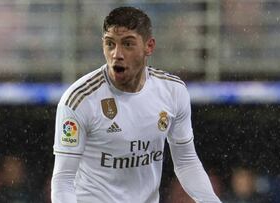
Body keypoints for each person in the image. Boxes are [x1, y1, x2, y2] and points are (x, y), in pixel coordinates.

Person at [51, 6, 221, 203]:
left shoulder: (173, 92)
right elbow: (63, 179)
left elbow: (186, 161)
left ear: (149, 46)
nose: (117, 54)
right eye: (110, 44)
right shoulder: (79, 100)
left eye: (128, 44)